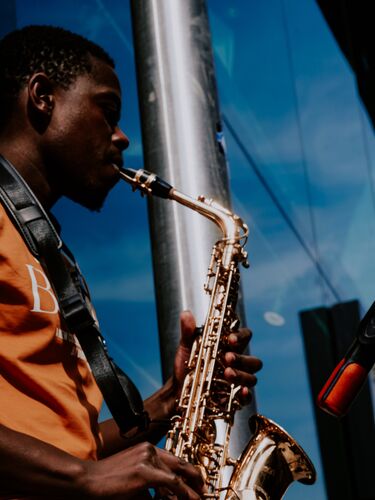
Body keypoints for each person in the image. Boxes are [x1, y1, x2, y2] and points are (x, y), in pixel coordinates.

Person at [0, 25, 262, 499]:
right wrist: (84, 479)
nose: (121, 138)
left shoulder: (46, 250)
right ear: (42, 96)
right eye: (108, 111)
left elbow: (68, 449)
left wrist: (172, 401)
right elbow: (80, 470)